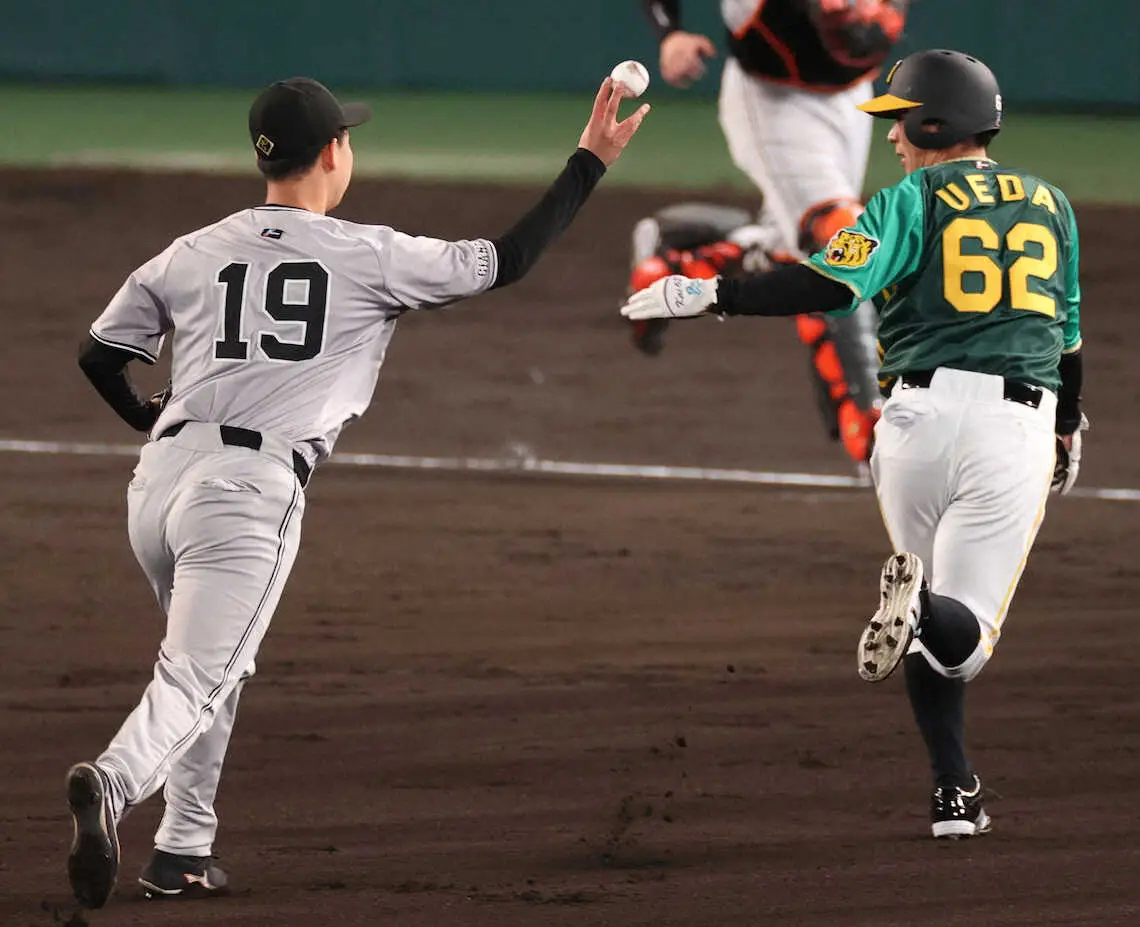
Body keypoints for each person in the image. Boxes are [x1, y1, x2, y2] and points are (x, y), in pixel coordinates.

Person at [66, 75, 648, 908]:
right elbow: (509, 259)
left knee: (215, 664)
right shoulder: (369, 254)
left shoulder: (193, 248)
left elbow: (99, 355)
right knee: (196, 675)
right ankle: (115, 782)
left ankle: (182, 850)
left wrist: (147, 417)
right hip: (244, 494)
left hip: (156, 486)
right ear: (335, 151)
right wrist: (590, 159)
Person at [620, 49, 1086, 838]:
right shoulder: (1052, 205)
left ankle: (954, 791)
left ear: (934, 122)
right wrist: (1068, 424)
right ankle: (923, 613)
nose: (891, 137)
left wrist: (711, 293)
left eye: (899, 121)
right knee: (963, 640)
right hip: (1012, 428)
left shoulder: (908, 200)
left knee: (925, 626)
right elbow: (1068, 338)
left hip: (909, 431)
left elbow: (829, 285)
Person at [628, 0, 909, 466]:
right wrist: (670, 32)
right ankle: (870, 422)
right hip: (774, 102)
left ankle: (678, 265)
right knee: (844, 241)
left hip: (852, 99)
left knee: (800, 246)